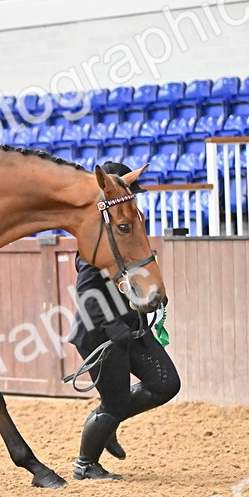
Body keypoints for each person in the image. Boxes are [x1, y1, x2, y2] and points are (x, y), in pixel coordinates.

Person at [69, 160, 180, 480]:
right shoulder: (96, 245)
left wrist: (150, 297)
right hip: (100, 334)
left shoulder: (127, 235)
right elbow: (86, 294)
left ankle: (107, 423)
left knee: (165, 384)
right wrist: (111, 325)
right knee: (115, 401)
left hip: (130, 328)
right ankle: (85, 464)